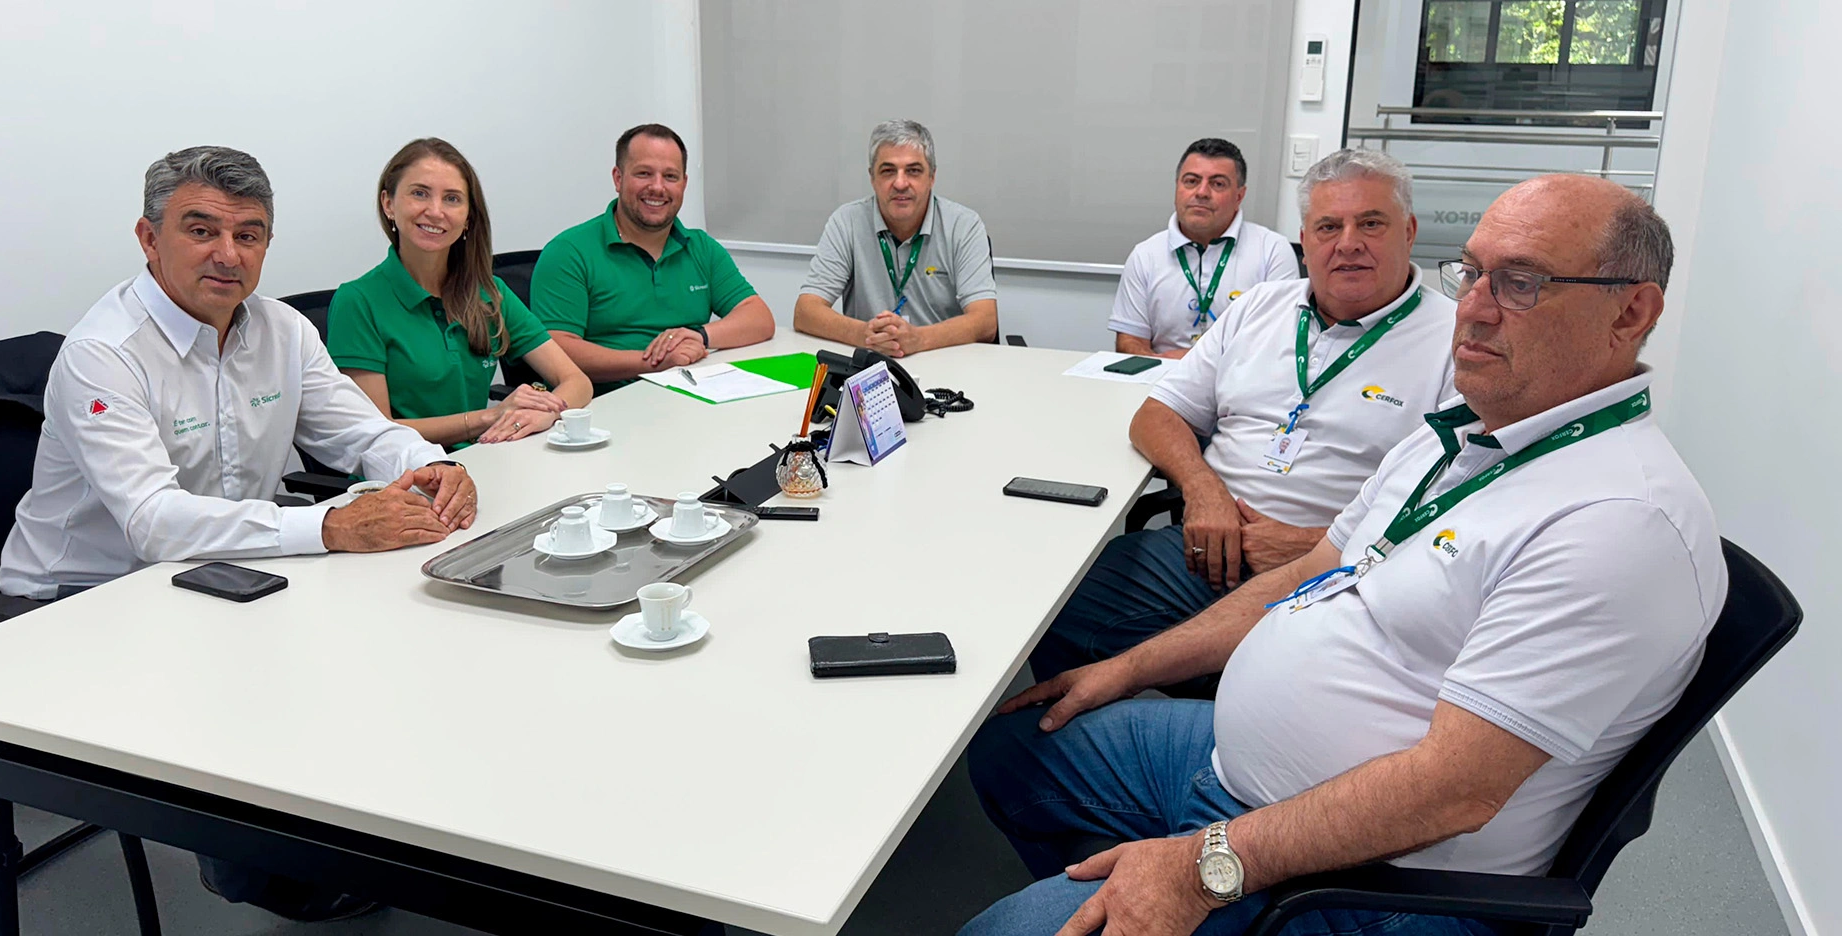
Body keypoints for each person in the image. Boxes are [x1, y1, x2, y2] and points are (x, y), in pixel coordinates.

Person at [962, 175, 1724, 936]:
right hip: (1242, 771)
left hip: (1370, 878)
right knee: (1014, 750)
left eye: (1521, 283)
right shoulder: (1461, 434)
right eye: (1471, 272)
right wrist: (1124, 670)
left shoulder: (1621, 523)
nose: (1476, 308)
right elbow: (1307, 573)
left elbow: (1451, 794)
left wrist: (1197, 870)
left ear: (1633, 311)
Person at [0, 145, 478, 922]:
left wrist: (431, 466)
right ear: (149, 240)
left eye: (249, 235)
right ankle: (270, 867)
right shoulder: (102, 355)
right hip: (81, 603)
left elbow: (364, 434)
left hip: (224, 579)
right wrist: (329, 525)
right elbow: (153, 522)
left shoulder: (281, 331)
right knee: (263, 694)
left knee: (395, 639)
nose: (228, 255)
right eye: (201, 230)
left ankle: (360, 846)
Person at [1029, 149, 1455, 684]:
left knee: (1274, 678)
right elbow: (1156, 415)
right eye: (1328, 227)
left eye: (1370, 223)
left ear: (1409, 230)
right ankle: (1091, 735)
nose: (1348, 243)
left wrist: (1315, 545)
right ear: (1306, 237)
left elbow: (1453, 514)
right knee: (1057, 610)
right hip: (1204, 551)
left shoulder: (1456, 342)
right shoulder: (1260, 306)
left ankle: (1200, 734)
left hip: (1338, 579)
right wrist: (1204, 492)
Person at [327, 138, 592, 447]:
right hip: (405, 479)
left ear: (468, 218)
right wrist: (488, 418)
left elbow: (577, 382)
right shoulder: (358, 302)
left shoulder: (489, 294)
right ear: (388, 204)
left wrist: (545, 413)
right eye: (419, 193)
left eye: (452, 199)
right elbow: (378, 431)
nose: (436, 211)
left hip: (484, 460)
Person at [529, 124, 774, 389]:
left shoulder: (701, 247)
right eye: (644, 173)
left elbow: (759, 318)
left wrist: (699, 336)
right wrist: (654, 362)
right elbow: (556, 350)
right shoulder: (569, 252)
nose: (658, 187)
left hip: (687, 394)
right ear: (618, 178)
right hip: (603, 406)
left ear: (684, 183)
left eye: (670, 176)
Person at [793, 119, 998, 357]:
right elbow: (805, 311)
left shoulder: (964, 225)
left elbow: (985, 321)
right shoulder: (847, 221)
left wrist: (918, 339)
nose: (900, 183)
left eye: (913, 171)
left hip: (945, 364)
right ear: (873, 178)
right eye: (888, 171)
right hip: (871, 370)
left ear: (932, 177)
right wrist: (865, 335)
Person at [1109, 138, 1299, 357]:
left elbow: (1275, 344)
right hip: (1161, 381)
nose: (1201, 192)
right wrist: (1164, 368)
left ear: (1239, 196)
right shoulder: (1146, 255)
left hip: (1239, 386)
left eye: (1217, 184)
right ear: (1177, 187)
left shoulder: (1272, 251)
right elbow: (1128, 341)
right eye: (1191, 181)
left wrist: (1189, 362)